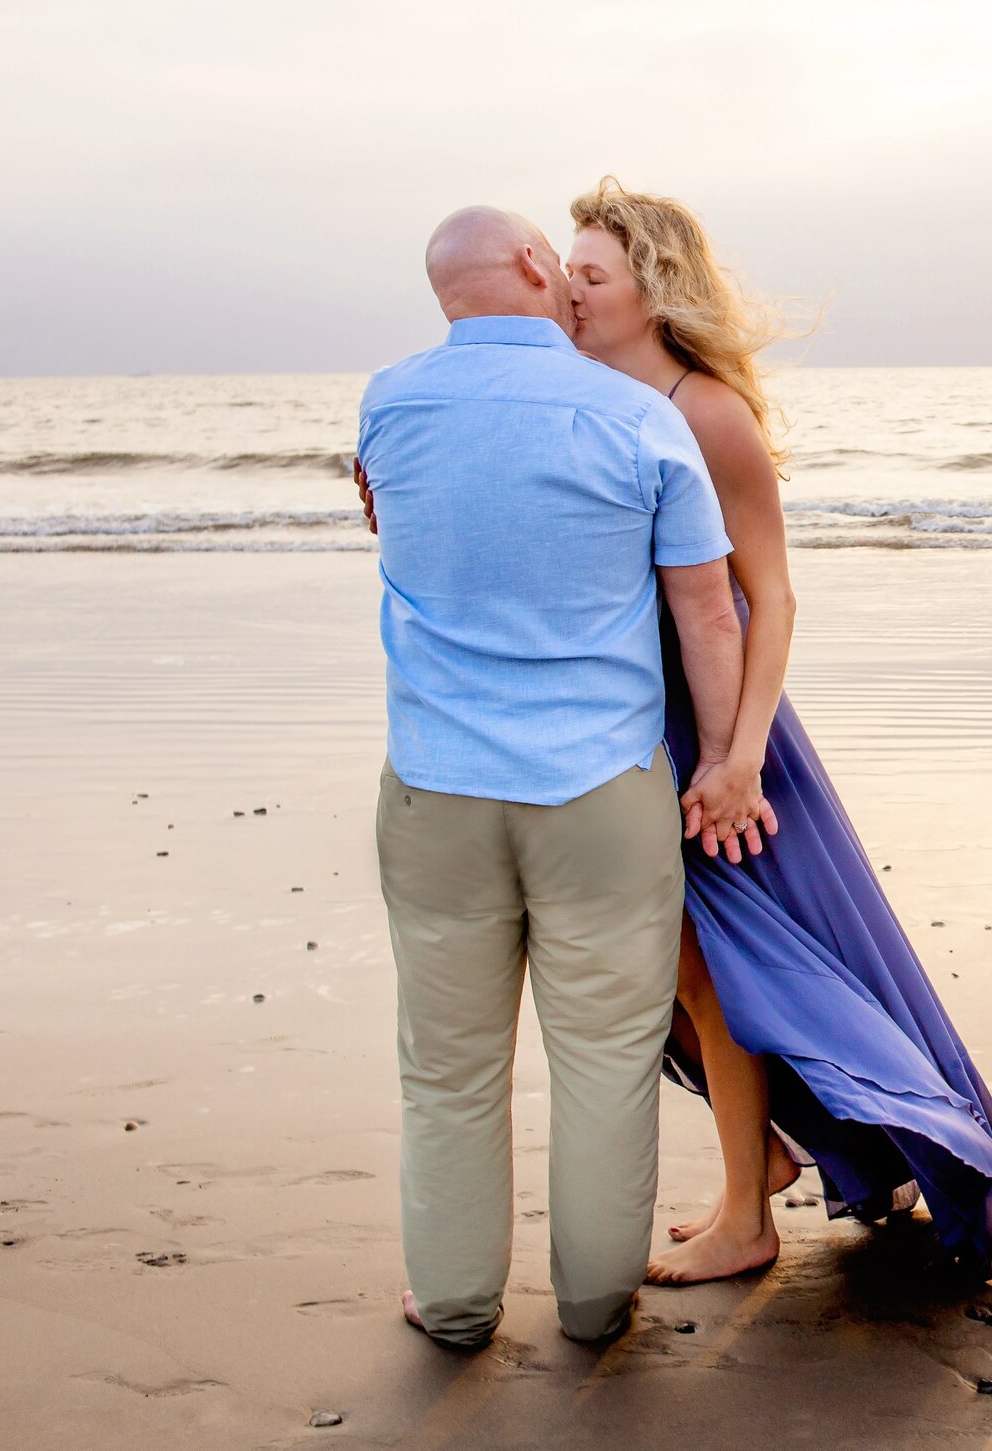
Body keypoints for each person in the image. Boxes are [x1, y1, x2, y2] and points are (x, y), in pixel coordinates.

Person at [563, 177, 992, 1282]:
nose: (572, 293)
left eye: (591, 274)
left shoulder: (705, 409)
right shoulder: (586, 397)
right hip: (631, 717)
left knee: (730, 968)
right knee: (672, 965)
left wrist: (737, 757)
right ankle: (765, 1157)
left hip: (724, 729)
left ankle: (747, 1210)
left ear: (652, 284)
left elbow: (768, 597)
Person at [354, 205, 753, 1348]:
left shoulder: (388, 402)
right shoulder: (634, 416)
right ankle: (592, 1300)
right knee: (605, 1063)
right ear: (535, 263)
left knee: (448, 1071)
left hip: (436, 785)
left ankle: (458, 1301)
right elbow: (706, 611)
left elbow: (398, 524)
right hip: (599, 789)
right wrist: (724, 760)